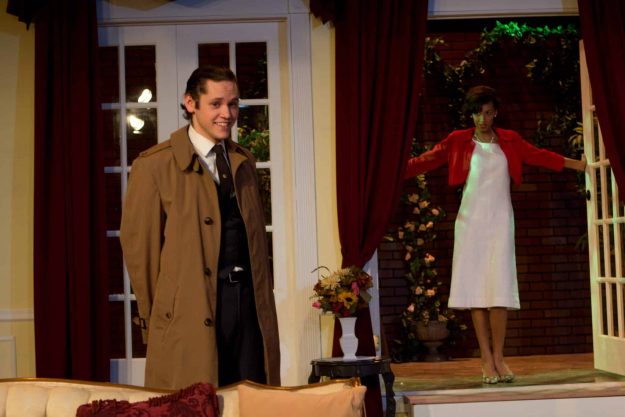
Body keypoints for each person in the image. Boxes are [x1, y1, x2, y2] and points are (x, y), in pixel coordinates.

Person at [405, 86, 585, 384]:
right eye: (477, 113)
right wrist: (389, 173)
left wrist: (577, 165)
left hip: (500, 221)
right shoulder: (458, 140)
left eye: (488, 113)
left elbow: (538, 155)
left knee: (499, 291)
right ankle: (486, 359)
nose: (482, 119)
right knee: (477, 292)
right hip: (471, 222)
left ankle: (499, 357)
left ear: (495, 113)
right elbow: (427, 160)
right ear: (471, 115)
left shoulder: (509, 140)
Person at [120, 66, 280, 390]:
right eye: (216, 104)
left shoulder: (244, 162)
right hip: (189, 312)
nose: (227, 114)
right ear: (190, 103)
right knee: (196, 402)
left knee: (253, 400)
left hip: (247, 309)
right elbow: (141, 253)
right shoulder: (154, 166)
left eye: (233, 104)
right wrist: (162, 318)